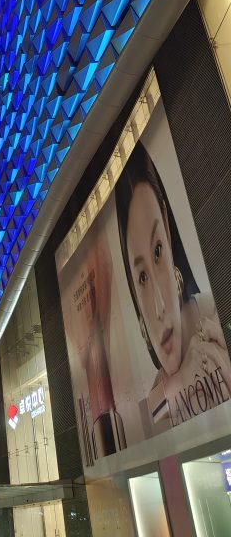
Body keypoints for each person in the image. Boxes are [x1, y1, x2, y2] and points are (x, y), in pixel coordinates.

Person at [115, 141, 231, 425]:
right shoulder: (159, 389)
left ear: (167, 228)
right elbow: (153, 414)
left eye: (157, 252)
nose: (159, 307)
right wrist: (185, 377)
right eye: (142, 277)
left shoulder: (217, 320)